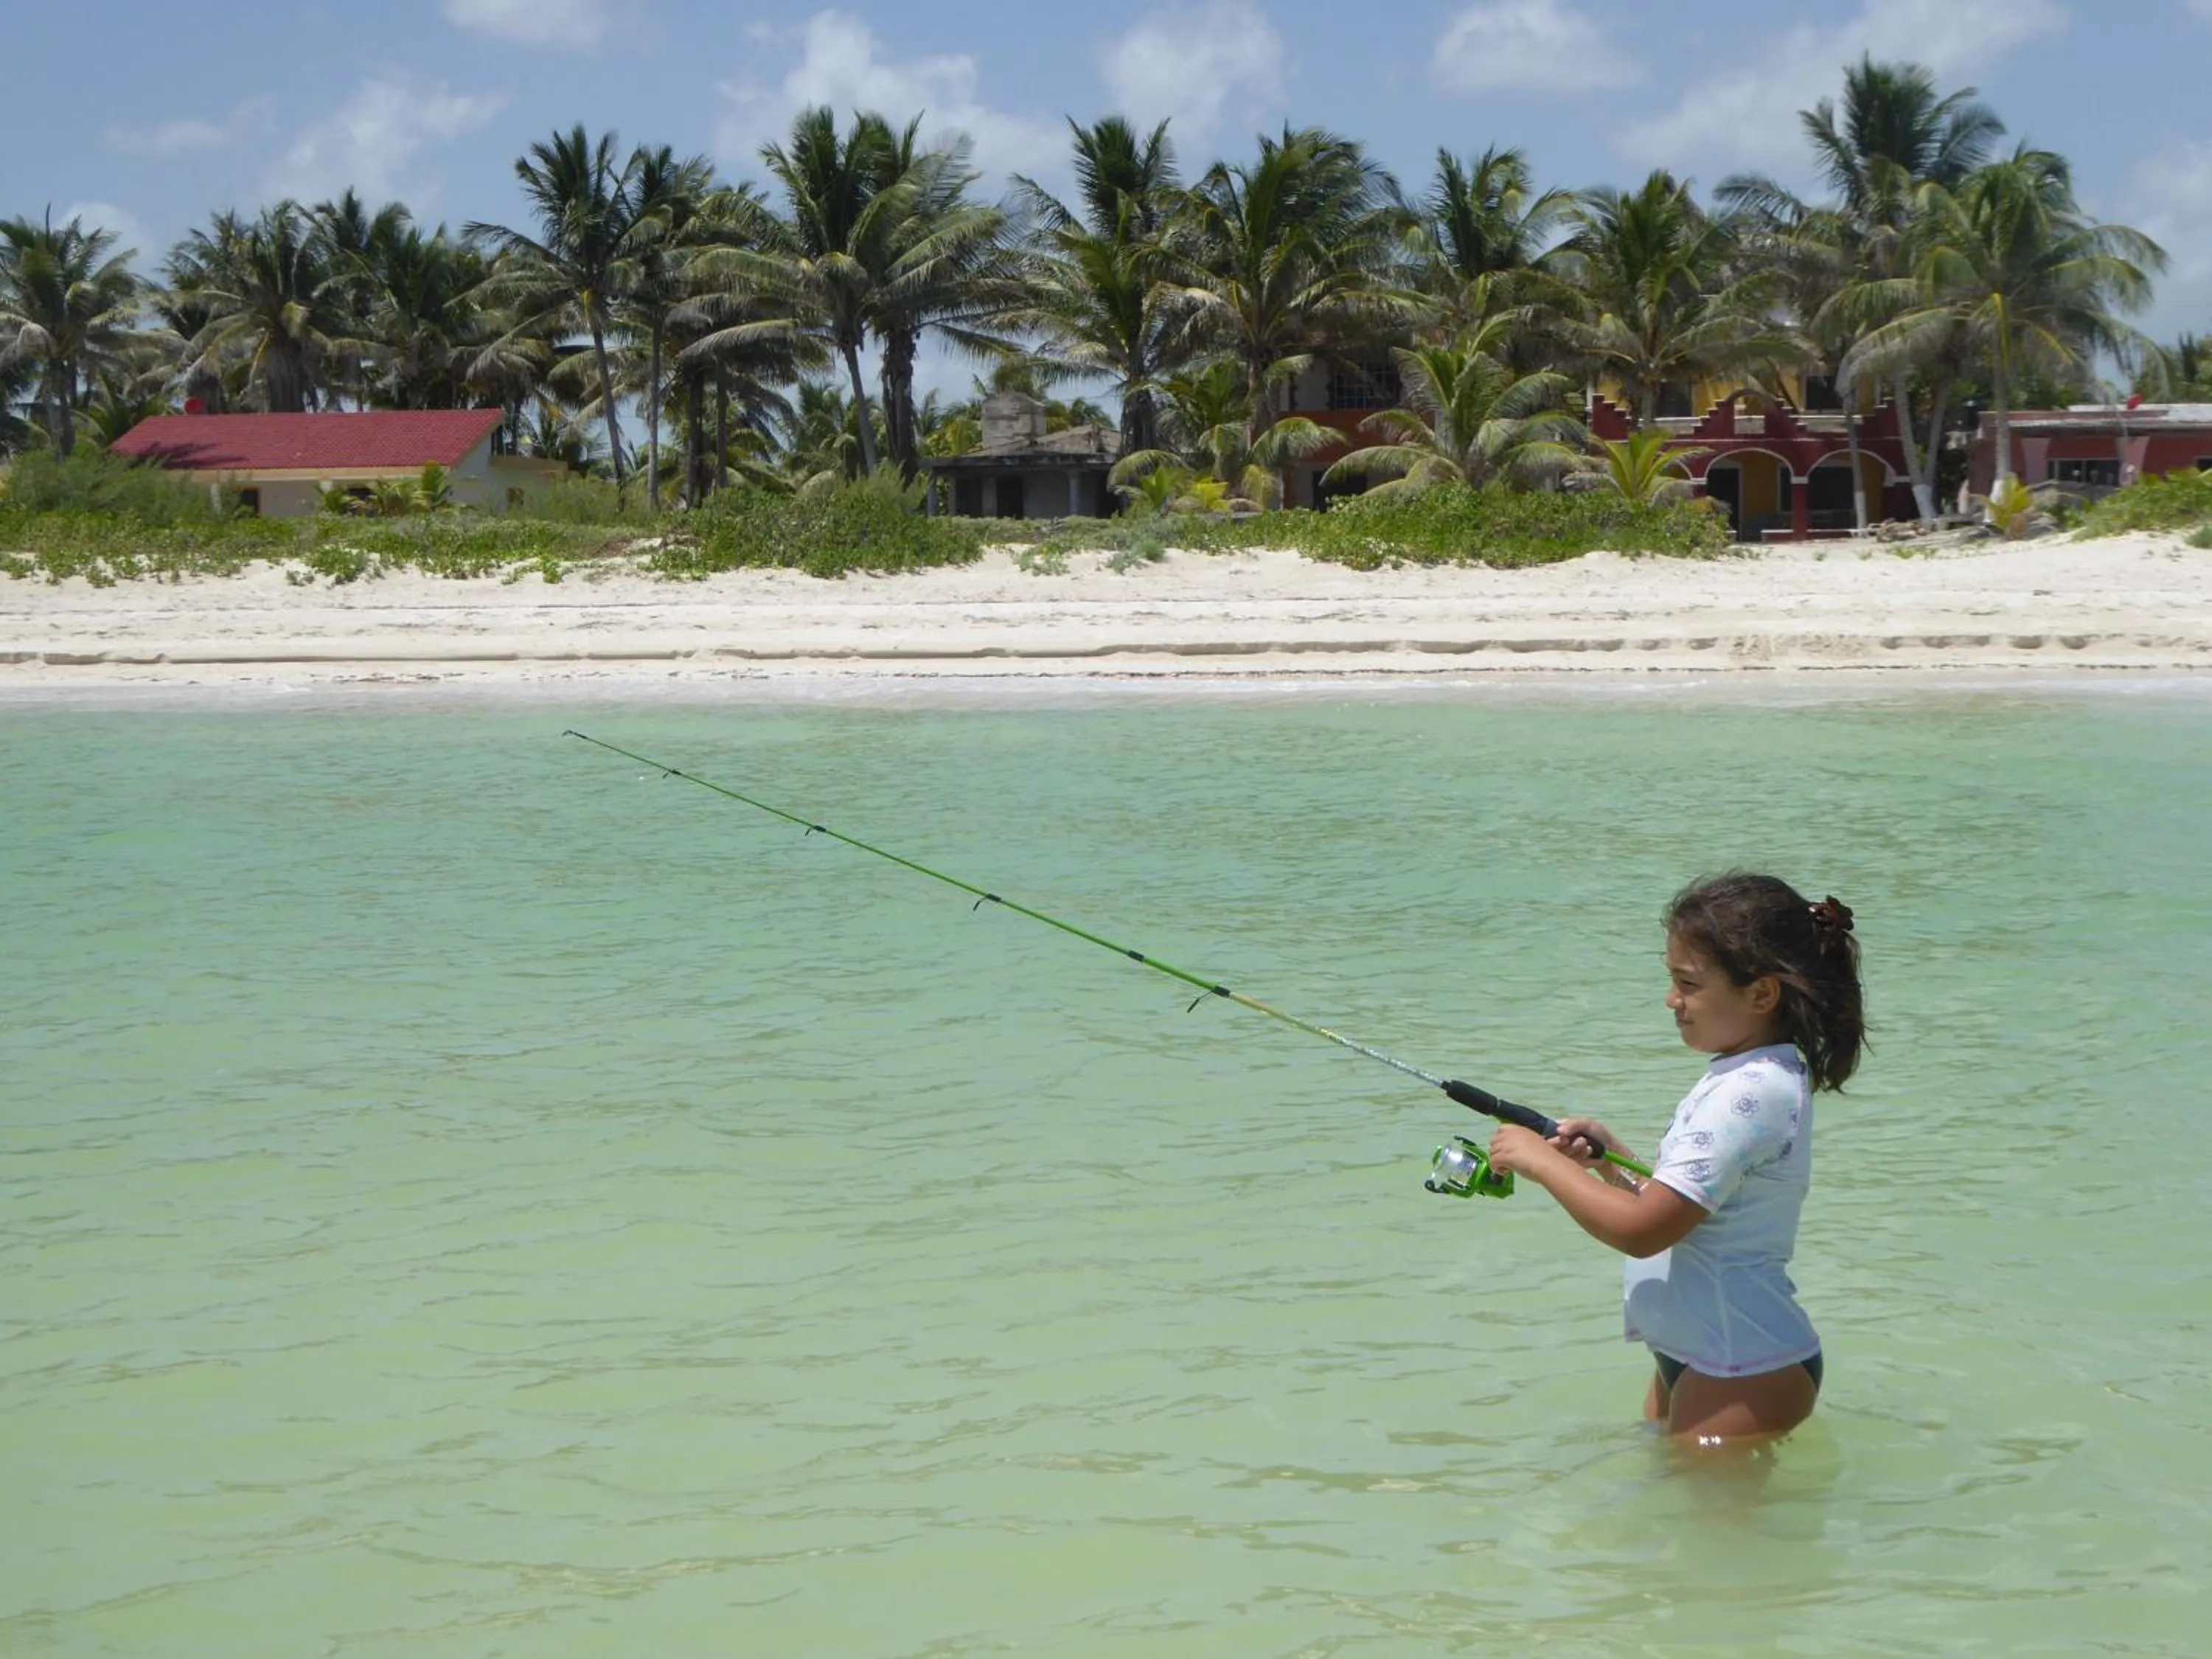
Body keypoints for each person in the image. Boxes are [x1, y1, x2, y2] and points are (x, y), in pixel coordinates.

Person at [1484, 873, 1865, 1445]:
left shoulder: (1751, 1093)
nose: (1671, 999)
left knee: (1709, 1533)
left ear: (1761, 995)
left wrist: (1542, 1162)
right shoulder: (1746, 1076)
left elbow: (1645, 1232)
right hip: (1702, 1350)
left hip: (1741, 1367)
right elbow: (1691, 1212)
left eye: (1687, 983)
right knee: (1667, 1521)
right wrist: (1616, 1162)